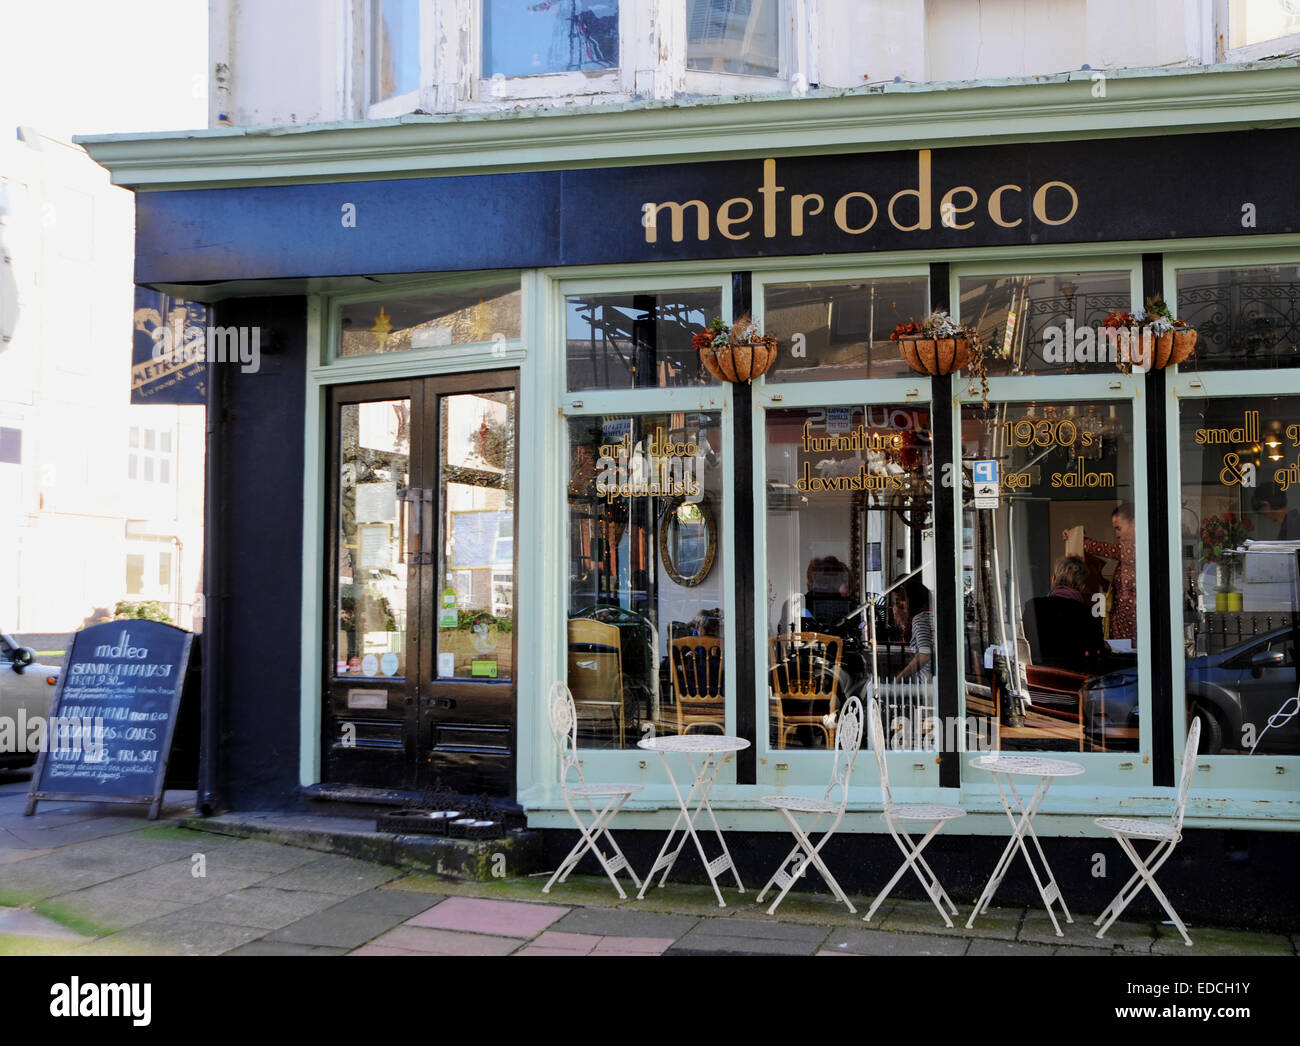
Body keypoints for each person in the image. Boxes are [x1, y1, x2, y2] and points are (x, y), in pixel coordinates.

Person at [1022, 555, 1108, 674]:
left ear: (1053, 580)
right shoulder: (1089, 615)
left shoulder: (1033, 606)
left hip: (1037, 682)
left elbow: (1023, 646)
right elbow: (1097, 656)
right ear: (1083, 587)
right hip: (1072, 685)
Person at [1066, 502, 1136, 642]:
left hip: (1133, 628)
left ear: (1134, 523)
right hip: (1121, 626)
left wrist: (1077, 537)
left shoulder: (1135, 549)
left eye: (1119, 528)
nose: (1116, 535)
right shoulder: (1128, 555)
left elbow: (1103, 548)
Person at [895, 577, 933, 683]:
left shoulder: (920, 618)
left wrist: (899, 678)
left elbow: (924, 655)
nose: (904, 606)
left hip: (927, 681)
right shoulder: (931, 614)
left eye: (905, 601)